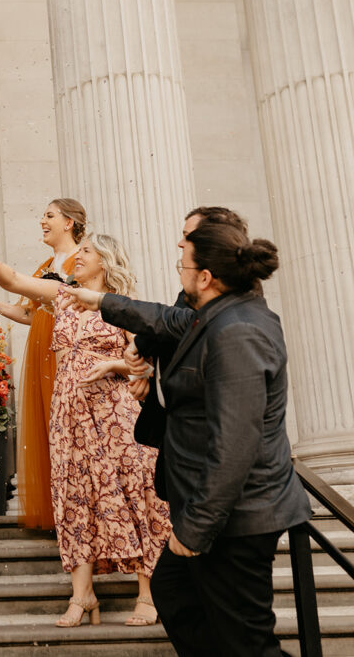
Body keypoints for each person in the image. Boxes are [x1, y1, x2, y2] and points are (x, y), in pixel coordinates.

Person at [68, 222, 312, 655]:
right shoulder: (215, 315)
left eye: (183, 263)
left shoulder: (237, 330)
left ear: (205, 277)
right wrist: (117, 318)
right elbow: (166, 321)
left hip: (236, 516)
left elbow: (235, 443)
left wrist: (196, 528)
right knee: (176, 594)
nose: (177, 269)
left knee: (247, 642)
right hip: (211, 509)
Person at [0, 233, 171, 628]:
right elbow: (17, 283)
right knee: (74, 497)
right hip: (68, 414)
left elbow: (146, 366)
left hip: (116, 414)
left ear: (106, 261)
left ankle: (149, 595)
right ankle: (82, 594)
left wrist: (113, 366)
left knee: (136, 493)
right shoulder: (63, 295)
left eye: (85, 252)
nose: (75, 257)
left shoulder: (123, 308)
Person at [0, 199, 85, 530]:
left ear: (69, 222)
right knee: (46, 427)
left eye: (49, 215)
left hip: (66, 353)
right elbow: (28, 312)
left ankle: (77, 514)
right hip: (40, 352)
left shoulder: (85, 260)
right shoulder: (47, 264)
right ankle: (57, 515)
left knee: (69, 429)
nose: (42, 221)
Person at [127, 207, 250, 500]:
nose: (180, 244)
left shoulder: (226, 307)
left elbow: (174, 322)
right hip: (179, 453)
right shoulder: (192, 292)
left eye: (187, 236)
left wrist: (141, 345)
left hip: (205, 466)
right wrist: (148, 371)